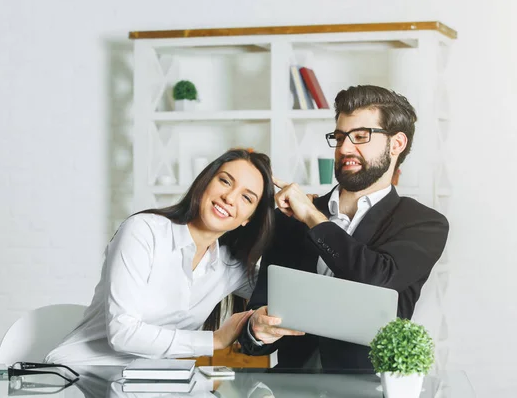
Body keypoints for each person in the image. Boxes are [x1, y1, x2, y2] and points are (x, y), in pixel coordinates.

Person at [238, 85, 450, 370]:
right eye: (339, 137)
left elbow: (375, 278)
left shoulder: (424, 224)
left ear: (396, 144)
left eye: (361, 136)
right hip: (290, 387)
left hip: (370, 389)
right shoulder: (288, 220)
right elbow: (258, 320)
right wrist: (256, 330)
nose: (344, 148)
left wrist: (313, 218)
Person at [45, 148, 276, 366]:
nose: (230, 197)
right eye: (225, 181)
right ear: (205, 183)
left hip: (144, 383)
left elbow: (282, 292)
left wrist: (304, 219)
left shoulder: (228, 267)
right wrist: (214, 340)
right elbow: (122, 333)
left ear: (249, 219)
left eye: (247, 198)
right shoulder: (143, 231)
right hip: (79, 374)